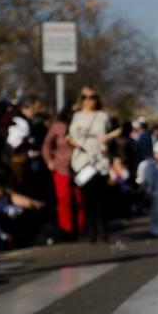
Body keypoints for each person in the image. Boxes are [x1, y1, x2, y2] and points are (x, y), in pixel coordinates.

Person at [67, 86, 112, 243]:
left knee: (102, 199)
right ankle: (91, 231)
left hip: (99, 161)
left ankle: (103, 231)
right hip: (83, 161)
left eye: (92, 97)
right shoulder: (77, 116)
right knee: (87, 199)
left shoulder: (103, 116)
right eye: (85, 97)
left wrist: (107, 141)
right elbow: (70, 136)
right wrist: (74, 142)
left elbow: (110, 134)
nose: (88, 100)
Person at [42, 106, 84, 239]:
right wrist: (49, 161)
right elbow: (46, 145)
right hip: (61, 167)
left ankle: (81, 228)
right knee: (64, 198)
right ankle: (66, 229)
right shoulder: (58, 127)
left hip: (80, 167)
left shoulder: (81, 126)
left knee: (79, 198)